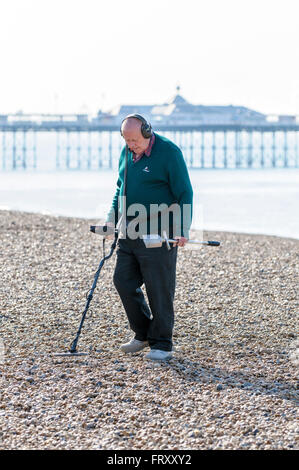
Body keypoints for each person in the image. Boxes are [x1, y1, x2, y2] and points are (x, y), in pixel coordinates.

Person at [105, 114, 193, 361]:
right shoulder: (126, 152)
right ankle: (142, 334)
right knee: (123, 281)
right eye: (126, 139)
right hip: (129, 232)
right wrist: (111, 219)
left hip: (159, 234)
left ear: (147, 131)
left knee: (159, 290)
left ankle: (163, 344)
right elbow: (119, 188)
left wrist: (182, 229)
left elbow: (185, 193)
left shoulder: (169, 152)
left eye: (134, 139)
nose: (130, 144)